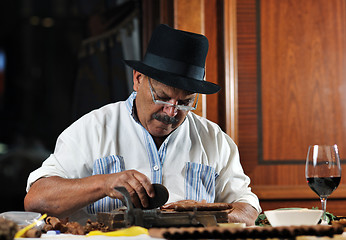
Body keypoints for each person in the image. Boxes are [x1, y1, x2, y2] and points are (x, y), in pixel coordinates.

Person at [24, 24, 261, 226]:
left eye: (185, 102)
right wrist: (103, 183)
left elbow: (248, 210)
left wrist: (208, 214)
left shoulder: (215, 141)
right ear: (138, 79)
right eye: (162, 97)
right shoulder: (92, 129)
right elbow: (37, 200)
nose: (171, 111)